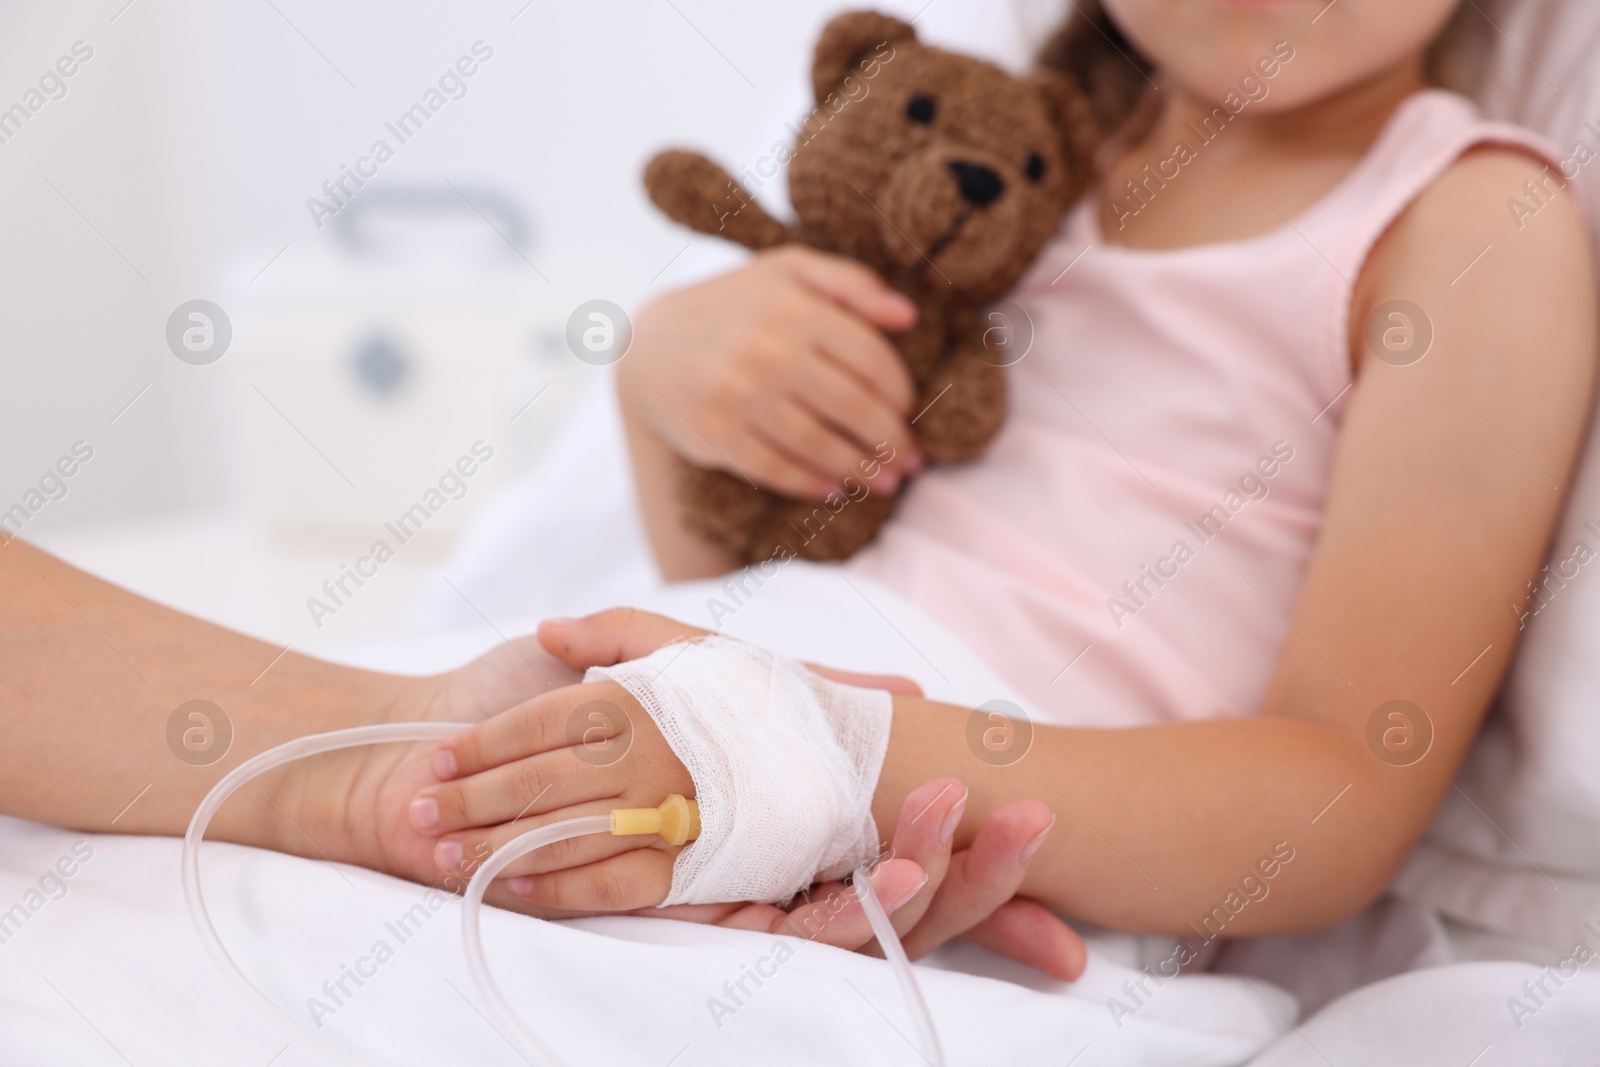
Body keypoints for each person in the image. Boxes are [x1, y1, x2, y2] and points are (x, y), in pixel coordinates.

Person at [401, 0, 1598, 956]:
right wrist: (656, 389)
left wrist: (845, 752)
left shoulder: (1472, 226)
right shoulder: (1003, 156)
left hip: (987, 865)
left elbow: (1336, 794)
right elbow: (766, 577)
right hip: (739, 723)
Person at [0, 533, 1084, 978]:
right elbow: (711, 552)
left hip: (775, 761)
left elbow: (1265, 807)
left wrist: (816, 757)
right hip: (657, 704)